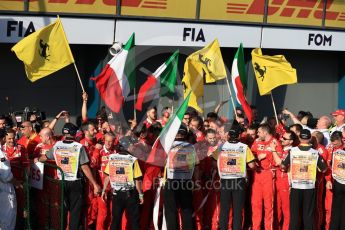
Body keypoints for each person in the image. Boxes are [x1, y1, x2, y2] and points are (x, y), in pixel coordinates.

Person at [35, 122, 101, 229]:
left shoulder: (57, 145)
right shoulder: (79, 147)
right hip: (75, 183)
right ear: (74, 133)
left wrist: (36, 159)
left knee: (63, 212)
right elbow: (84, 167)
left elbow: (45, 157)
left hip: (61, 183)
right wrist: (95, 184)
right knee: (75, 213)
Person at [274, 129, 327, 230]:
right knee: (308, 216)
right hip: (309, 187)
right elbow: (324, 169)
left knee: (294, 216)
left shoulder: (292, 151)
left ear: (299, 138)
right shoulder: (315, 153)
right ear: (310, 138)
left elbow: (283, 166)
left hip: (295, 187)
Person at [213, 129, 256, 230]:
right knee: (237, 210)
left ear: (228, 136)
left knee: (224, 209)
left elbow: (214, 163)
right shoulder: (245, 147)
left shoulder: (221, 147)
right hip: (239, 181)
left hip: (225, 180)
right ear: (239, 136)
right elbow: (252, 165)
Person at [163, 124, 199, 230]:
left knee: (171, 211)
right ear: (185, 134)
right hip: (186, 182)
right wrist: (196, 181)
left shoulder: (168, 146)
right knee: (186, 210)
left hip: (171, 182)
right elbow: (196, 166)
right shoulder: (191, 147)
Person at [101, 145, 144, 230]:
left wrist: (104, 190)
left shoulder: (112, 158)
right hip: (130, 194)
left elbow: (107, 176)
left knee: (115, 220)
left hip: (117, 194)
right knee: (134, 221)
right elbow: (137, 180)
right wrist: (141, 194)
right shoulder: (133, 160)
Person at [251, 124, 283, 230]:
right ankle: (256, 227)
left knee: (269, 205)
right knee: (255, 204)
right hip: (257, 173)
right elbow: (251, 154)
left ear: (265, 132)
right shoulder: (257, 141)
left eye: (259, 132)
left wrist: (266, 154)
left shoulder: (275, 142)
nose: (257, 134)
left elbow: (278, 161)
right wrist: (255, 158)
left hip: (269, 174)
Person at [272, 131, 297, 230]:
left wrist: (273, 150)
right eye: (282, 137)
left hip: (286, 182)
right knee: (277, 208)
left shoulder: (292, 151)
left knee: (287, 210)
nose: (281, 139)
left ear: (291, 141)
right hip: (278, 181)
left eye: (285, 138)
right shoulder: (282, 150)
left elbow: (281, 165)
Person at [326, 131, 345, 229]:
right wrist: (328, 180)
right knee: (335, 209)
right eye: (332, 143)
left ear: (341, 139)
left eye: (336, 143)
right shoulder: (331, 148)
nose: (334, 145)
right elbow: (328, 165)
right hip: (336, 181)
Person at [0, 149, 18, 230]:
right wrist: (17, 183)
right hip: (4, 188)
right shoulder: (1, 154)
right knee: (7, 216)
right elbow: (6, 175)